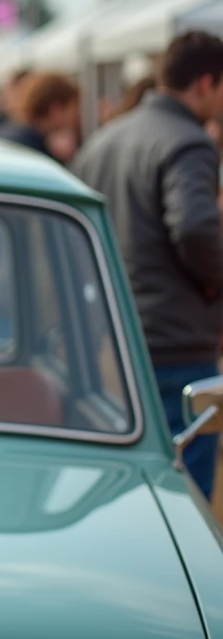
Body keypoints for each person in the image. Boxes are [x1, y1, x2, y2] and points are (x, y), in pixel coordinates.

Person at [72, 30, 223, 500]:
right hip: (174, 339)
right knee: (184, 497)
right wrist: (215, 283)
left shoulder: (105, 139)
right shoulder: (189, 142)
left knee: (124, 488)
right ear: (205, 83)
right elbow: (197, 228)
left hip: (111, 337)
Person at [0, 73, 80, 160]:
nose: (76, 117)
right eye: (73, 109)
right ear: (56, 110)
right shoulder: (29, 147)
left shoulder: (17, 133)